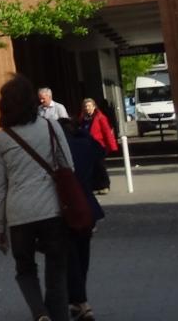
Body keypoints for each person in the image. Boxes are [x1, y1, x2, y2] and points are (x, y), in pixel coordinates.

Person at [0, 74, 72, 321]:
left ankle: (39, 313)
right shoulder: (50, 127)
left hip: (19, 215)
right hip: (52, 210)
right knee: (57, 267)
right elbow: (68, 166)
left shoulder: (1, 139)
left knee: (25, 268)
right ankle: (57, 315)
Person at [59, 116, 105, 321]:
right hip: (87, 207)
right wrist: (84, 133)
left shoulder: (59, 150)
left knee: (70, 257)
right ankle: (79, 300)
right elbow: (100, 150)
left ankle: (79, 301)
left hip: (66, 209)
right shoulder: (85, 145)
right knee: (83, 255)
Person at [79, 98, 117, 193]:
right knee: (91, 167)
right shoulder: (82, 119)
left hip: (99, 145)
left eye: (89, 106)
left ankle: (105, 186)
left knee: (100, 166)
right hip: (87, 146)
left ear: (94, 107)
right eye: (85, 106)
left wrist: (112, 146)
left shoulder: (100, 117)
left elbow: (107, 132)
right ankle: (95, 186)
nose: (87, 108)